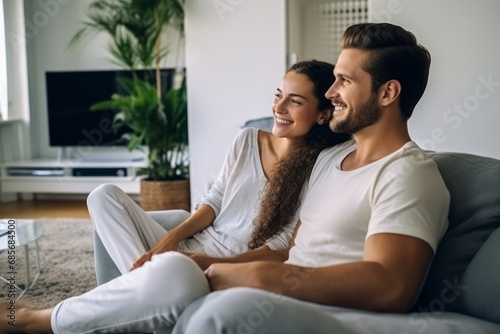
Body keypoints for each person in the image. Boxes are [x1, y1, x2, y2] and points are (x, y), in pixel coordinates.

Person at [0, 60, 350, 333]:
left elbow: (283, 249)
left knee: (172, 275)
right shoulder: (247, 139)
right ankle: (151, 301)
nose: (279, 107)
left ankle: (38, 318)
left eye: (295, 101)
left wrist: (206, 265)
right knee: (103, 195)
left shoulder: (322, 165)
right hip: (189, 250)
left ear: (322, 114)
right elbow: (212, 203)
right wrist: (170, 238)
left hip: (224, 268)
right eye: (278, 95)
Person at [167, 22, 451, 333]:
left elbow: (391, 285)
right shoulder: (328, 159)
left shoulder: (408, 174)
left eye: (344, 81)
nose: (331, 94)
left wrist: (261, 277)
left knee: (218, 313)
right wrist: (209, 264)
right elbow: (292, 251)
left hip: (330, 314)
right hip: (284, 299)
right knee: (166, 276)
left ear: (388, 93)